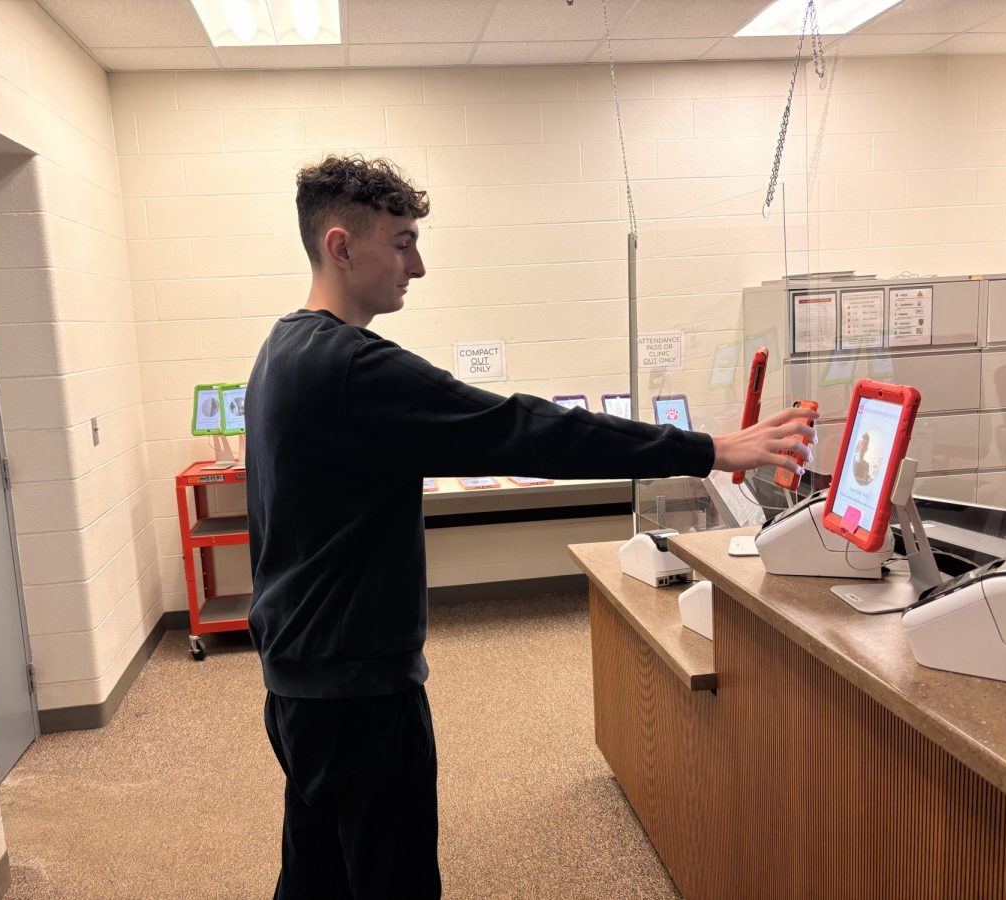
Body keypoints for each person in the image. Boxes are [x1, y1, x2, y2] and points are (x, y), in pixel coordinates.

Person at [246, 155, 817, 899]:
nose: (417, 265)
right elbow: (526, 430)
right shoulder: (353, 368)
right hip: (356, 692)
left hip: (300, 680)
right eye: (402, 241)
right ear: (340, 246)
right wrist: (709, 450)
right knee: (392, 879)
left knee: (318, 872)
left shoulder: (282, 350)